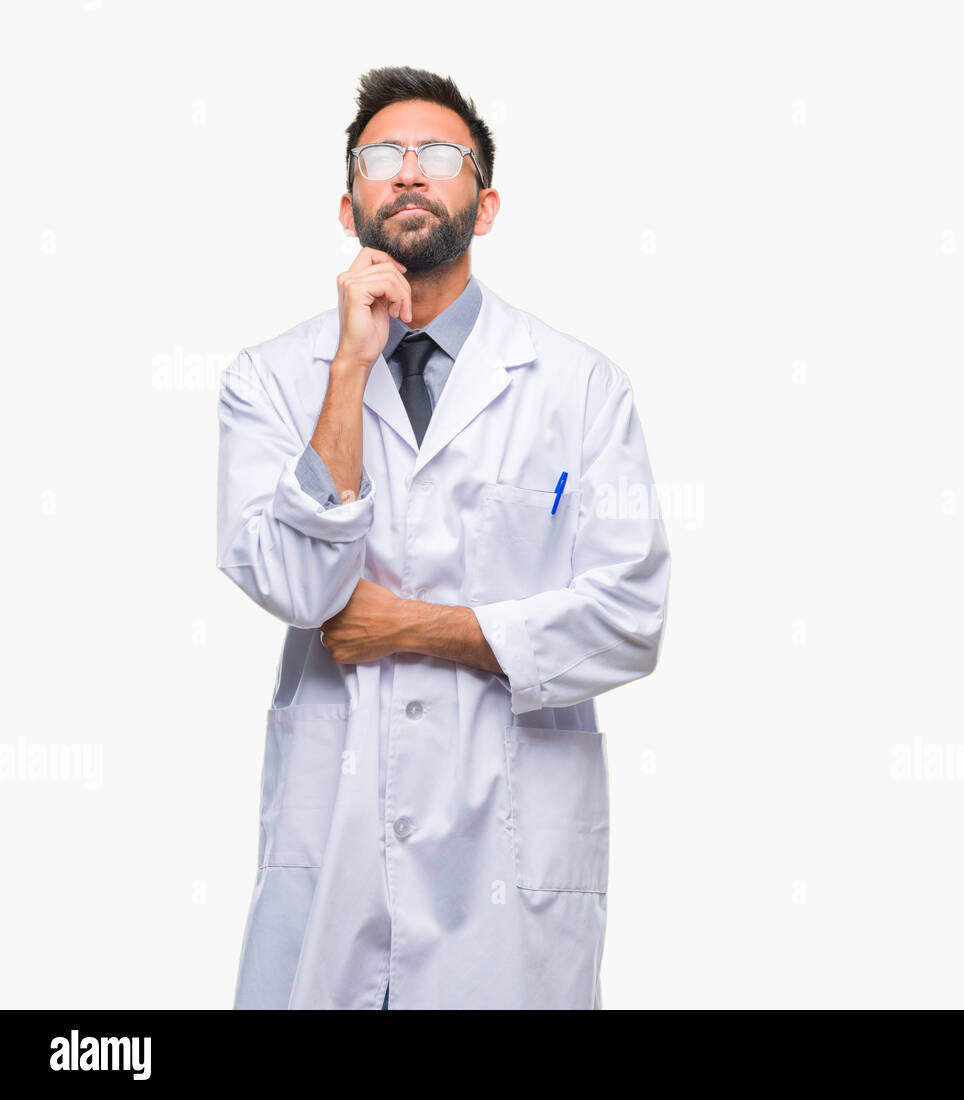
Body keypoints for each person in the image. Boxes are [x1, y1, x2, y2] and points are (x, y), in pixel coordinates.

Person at [216, 66, 670, 1009]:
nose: (410, 173)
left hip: (505, 854)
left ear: (486, 203)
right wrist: (350, 364)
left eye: (440, 156)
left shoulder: (581, 386)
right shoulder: (270, 379)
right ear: (349, 208)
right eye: (383, 157)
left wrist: (414, 628)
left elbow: (631, 616)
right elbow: (301, 589)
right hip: (334, 847)